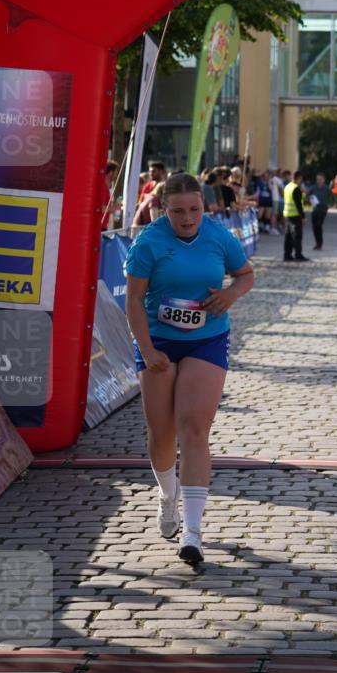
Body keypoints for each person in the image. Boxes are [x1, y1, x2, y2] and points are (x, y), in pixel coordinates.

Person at [124, 173, 254, 567]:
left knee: (195, 427)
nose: (187, 218)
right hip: (159, 343)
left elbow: (246, 274)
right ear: (164, 210)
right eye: (178, 211)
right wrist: (146, 349)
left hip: (206, 339)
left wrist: (231, 293)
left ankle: (193, 533)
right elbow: (133, 299)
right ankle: (168, 496)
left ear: (204, 206)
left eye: (194, 209)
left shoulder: (218, 236)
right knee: (161, 434)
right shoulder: (149, 242)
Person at [283, 170, 309, 262]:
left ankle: (287, 254)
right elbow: (298, 204)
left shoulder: (287, 187)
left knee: (288, 236)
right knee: (297, 236)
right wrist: (303, 217)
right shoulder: (296, 188)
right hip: (295, 216)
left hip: (287, 215)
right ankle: (298, 254)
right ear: (299, 178)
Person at [306, 172, 333, 250]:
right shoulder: (313, 188)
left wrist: (330, 204)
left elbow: (333, 197)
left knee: (319, 225)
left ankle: (319, 244)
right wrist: (309, 200)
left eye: (320, 179)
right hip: (315, 209)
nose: (318, 181)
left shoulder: (327, 188)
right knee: (314, 227)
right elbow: (307, 196)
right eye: (317, 179)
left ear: (324, 180)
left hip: (323, 209)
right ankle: (317, 243)